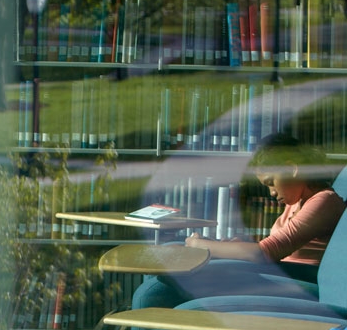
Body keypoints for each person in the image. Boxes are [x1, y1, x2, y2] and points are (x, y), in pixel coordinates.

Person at [132, 132, 346, 312]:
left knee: (194, 268)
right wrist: (228, 245)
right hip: (282, 273)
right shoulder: (298, 200)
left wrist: (202, 246)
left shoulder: (323, 201)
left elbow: (265, 253)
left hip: (301, 281)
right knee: (173, 264)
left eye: (271, 183)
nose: (271, 192)